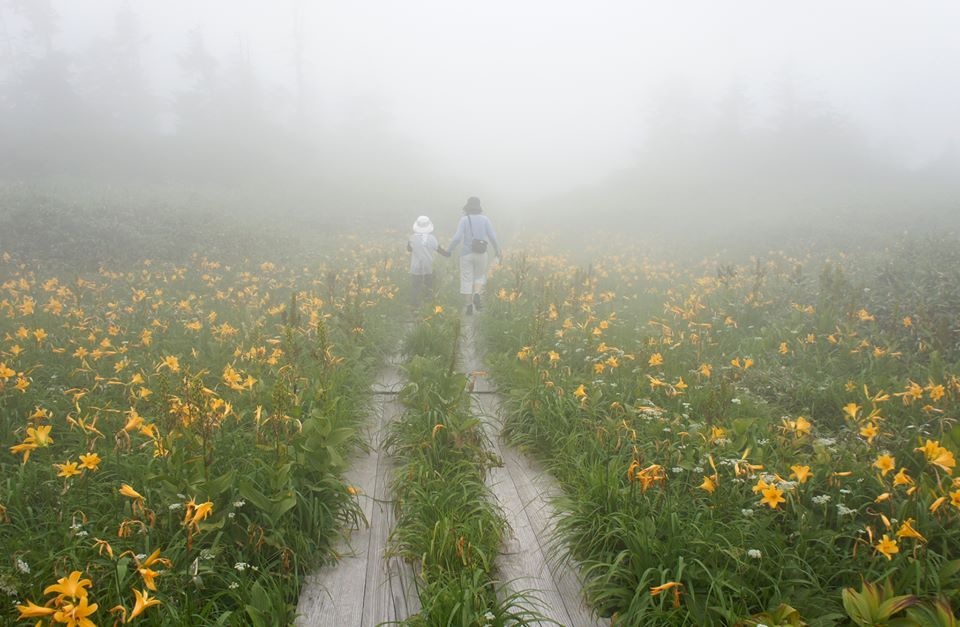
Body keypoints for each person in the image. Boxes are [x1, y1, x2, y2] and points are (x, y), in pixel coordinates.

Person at [446, 196, 501, 315]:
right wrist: (497, 250)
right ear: (479, 208)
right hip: (481, 253)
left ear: (467, 208)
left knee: (466, 279)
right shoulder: (485, 220)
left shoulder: (464, 220)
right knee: (479, 276)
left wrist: (449, 250)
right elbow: (493, 237)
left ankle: (469, 306)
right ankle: (476, 293)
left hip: (466, 254)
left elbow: (457, 238)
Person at [407, 215, 449, 307]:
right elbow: (439, 250)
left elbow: (409, 249)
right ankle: (428, 302)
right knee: (429, 284)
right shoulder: (432, 238)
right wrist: (448, 254)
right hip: (428, 266)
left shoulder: (412, 238)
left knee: (415, 285)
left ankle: (414, 304)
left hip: (415, 266)